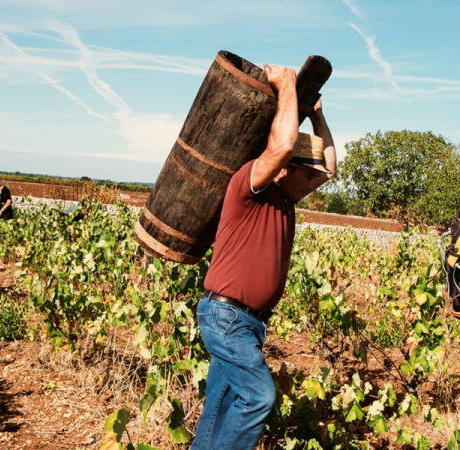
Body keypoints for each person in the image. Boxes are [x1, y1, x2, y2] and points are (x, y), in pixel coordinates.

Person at [191, 65, 336, 450]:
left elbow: (331, 169)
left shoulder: (288, 199)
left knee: (220, 405)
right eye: (308, 175)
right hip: (226, 317)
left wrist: (319, 118)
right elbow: (283, 145)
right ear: (283, 169)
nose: (314, 183)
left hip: (249, 324)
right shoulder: (249, 187)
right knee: (259, 397)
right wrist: (287, 86)